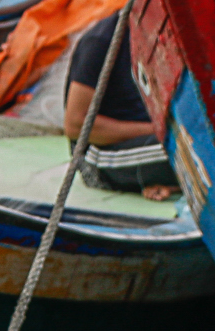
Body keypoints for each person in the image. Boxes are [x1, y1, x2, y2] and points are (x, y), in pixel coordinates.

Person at [62, 12, 179, 202]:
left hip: (149, 140)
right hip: (99, 156)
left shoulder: (164, 34)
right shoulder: (101, 41)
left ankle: (169, 184)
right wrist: (156, 129)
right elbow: (75, 125)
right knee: (193, 149)